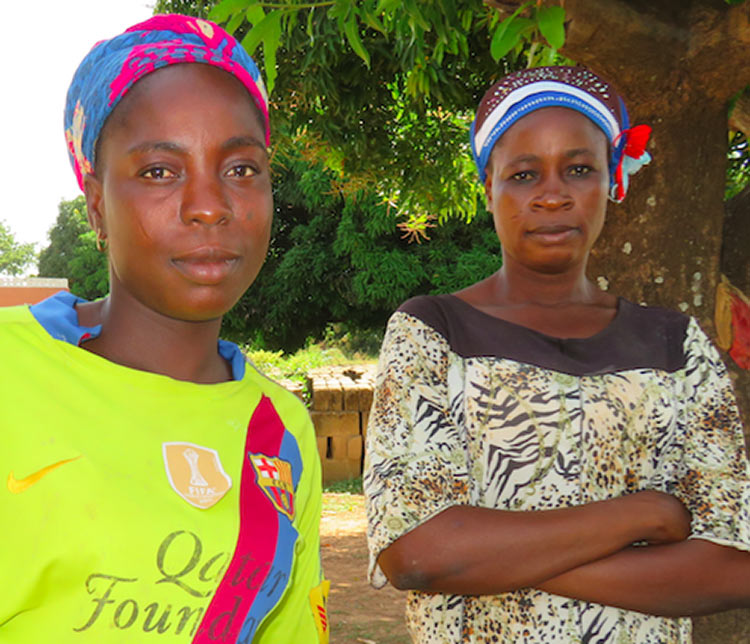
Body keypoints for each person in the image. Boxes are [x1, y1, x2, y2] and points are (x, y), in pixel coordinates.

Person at [364, 65, 750, 643]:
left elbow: (732, 566)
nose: (551, 195)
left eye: (578, 169)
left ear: (612, 180)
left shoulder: (675, 346)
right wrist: (640, 514)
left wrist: (497, 561)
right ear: (488, 187)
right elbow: (417, 554)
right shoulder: (433, 332)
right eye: (523, 174)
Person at [0, 15, 328, 644]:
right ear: (97, 206)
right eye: (159, 171)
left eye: (241, 169)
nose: (210, 205)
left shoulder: (280, 430)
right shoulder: (10, 368)